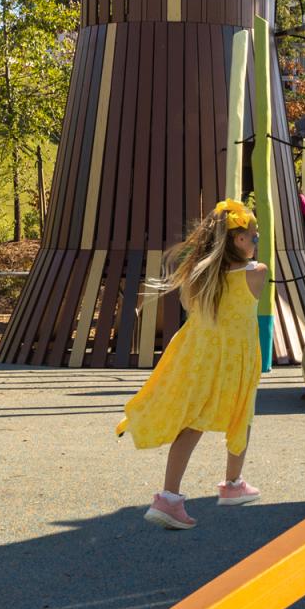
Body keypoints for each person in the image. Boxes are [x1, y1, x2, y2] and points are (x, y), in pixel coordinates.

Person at [117, 199, 270, 530]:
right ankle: (232, 485)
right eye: (253, 236)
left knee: (194, 423)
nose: (256, 241)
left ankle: (170, 496)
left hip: (199, 358)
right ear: (237, 240)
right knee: (242, 412)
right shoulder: (256, 274)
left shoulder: (200, 277)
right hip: (236, 361)